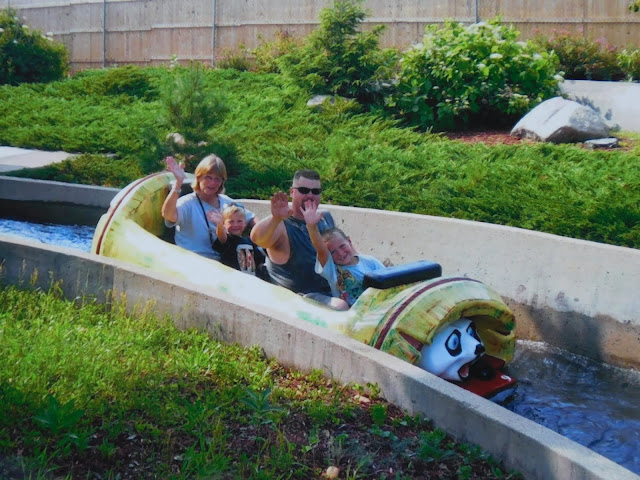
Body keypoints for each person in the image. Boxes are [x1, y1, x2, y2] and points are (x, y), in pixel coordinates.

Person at [250, 169, 335, 296]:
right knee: (339, 305)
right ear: (292, 192)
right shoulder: (282, 224)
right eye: (304, 190)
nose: (310, 195)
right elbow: (258, 239)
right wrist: (275, 218)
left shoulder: (325, 217)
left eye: (315, 191)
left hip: (332, 291)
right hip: (299, 298)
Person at [161, 155, 256, 260]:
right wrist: (178, 183)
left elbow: (252, 218)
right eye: (208, 177)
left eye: (217, 179)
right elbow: (168, 215)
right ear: (199, 177)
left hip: (224, 262)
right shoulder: (187, 203)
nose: (212, 183)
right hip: (194, 261)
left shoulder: (227, 202)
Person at [302, 200, 386, 309]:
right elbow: (321, 249)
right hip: (350, 312)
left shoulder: (370, 261)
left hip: (374, 307)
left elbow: (388, 279)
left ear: (349, 241)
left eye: (342, 246)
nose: (340, 253)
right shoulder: (332, 270)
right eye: (333, 252)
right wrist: (311, 226)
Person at [207, 204, 270, 281]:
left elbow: (258, 259)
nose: (235, 225)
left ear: (245, 223)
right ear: (224, 224)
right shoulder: (228, 239)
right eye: (231, 222)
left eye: (239, 221)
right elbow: (221, 236)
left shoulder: (250, 241)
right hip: (233, 279)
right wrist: (219, 225)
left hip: (251, 279)